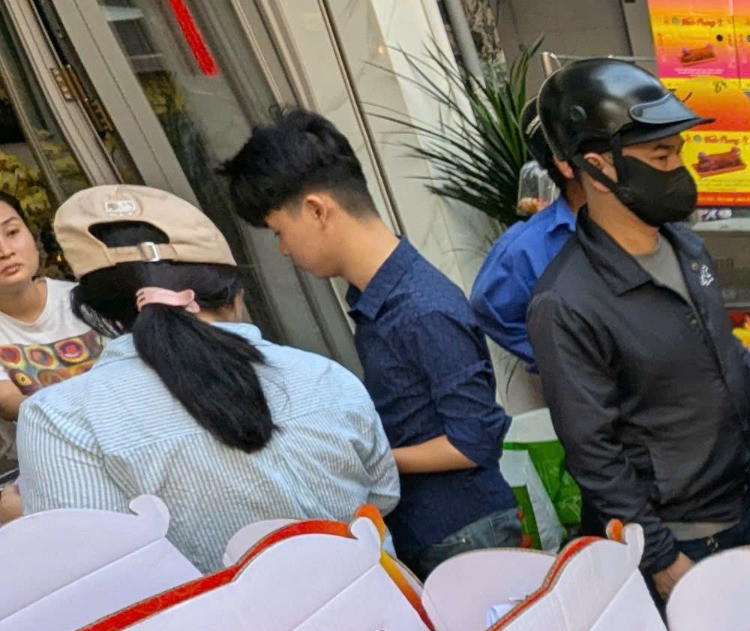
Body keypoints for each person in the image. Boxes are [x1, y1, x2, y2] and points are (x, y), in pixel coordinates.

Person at [526, 59, 750, 600]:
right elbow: (594, 453)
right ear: (594, 165)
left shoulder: (685, 246)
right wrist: (659, 556)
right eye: (661, 155)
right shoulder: (566, 304)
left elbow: (716, 347)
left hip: (747, 503)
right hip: (685, 538)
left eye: (678, 151)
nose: (679, 168)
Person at [8, 185, 397, 571]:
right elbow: (382, 497)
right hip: (391, 622)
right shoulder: (325, 376)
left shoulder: (59, 420)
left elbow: (99, 578)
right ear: (235, 293)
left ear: (96, 313)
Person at [221, 108, 519, 578]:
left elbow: (473, 440)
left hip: (464, 532)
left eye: (280, 232)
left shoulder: (421, 308)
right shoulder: (378, 298)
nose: (283, 250)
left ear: (318, 210)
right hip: (436, 529)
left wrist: (363, 455)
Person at [470, 103, 585, 374]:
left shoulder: (647, 220)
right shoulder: (524, 248)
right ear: (564, 164)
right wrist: (558, 360)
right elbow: (487, 307)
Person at [0, 191, 104, 472]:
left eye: (11, 232)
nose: (5, 250)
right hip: (52, 468)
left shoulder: (88, 301)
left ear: (32, 237)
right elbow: (11, 403)